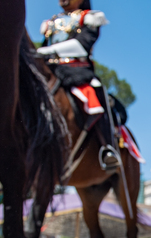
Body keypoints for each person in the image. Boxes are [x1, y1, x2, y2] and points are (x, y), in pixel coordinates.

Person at [37, 0, 118, 170]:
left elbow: (82, 45)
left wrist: (48, 51)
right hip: (50, 69)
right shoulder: (51, 22)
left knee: (96, 95)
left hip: (77, 71)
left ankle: (107, 148)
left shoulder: (89, 17)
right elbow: (45, 46)